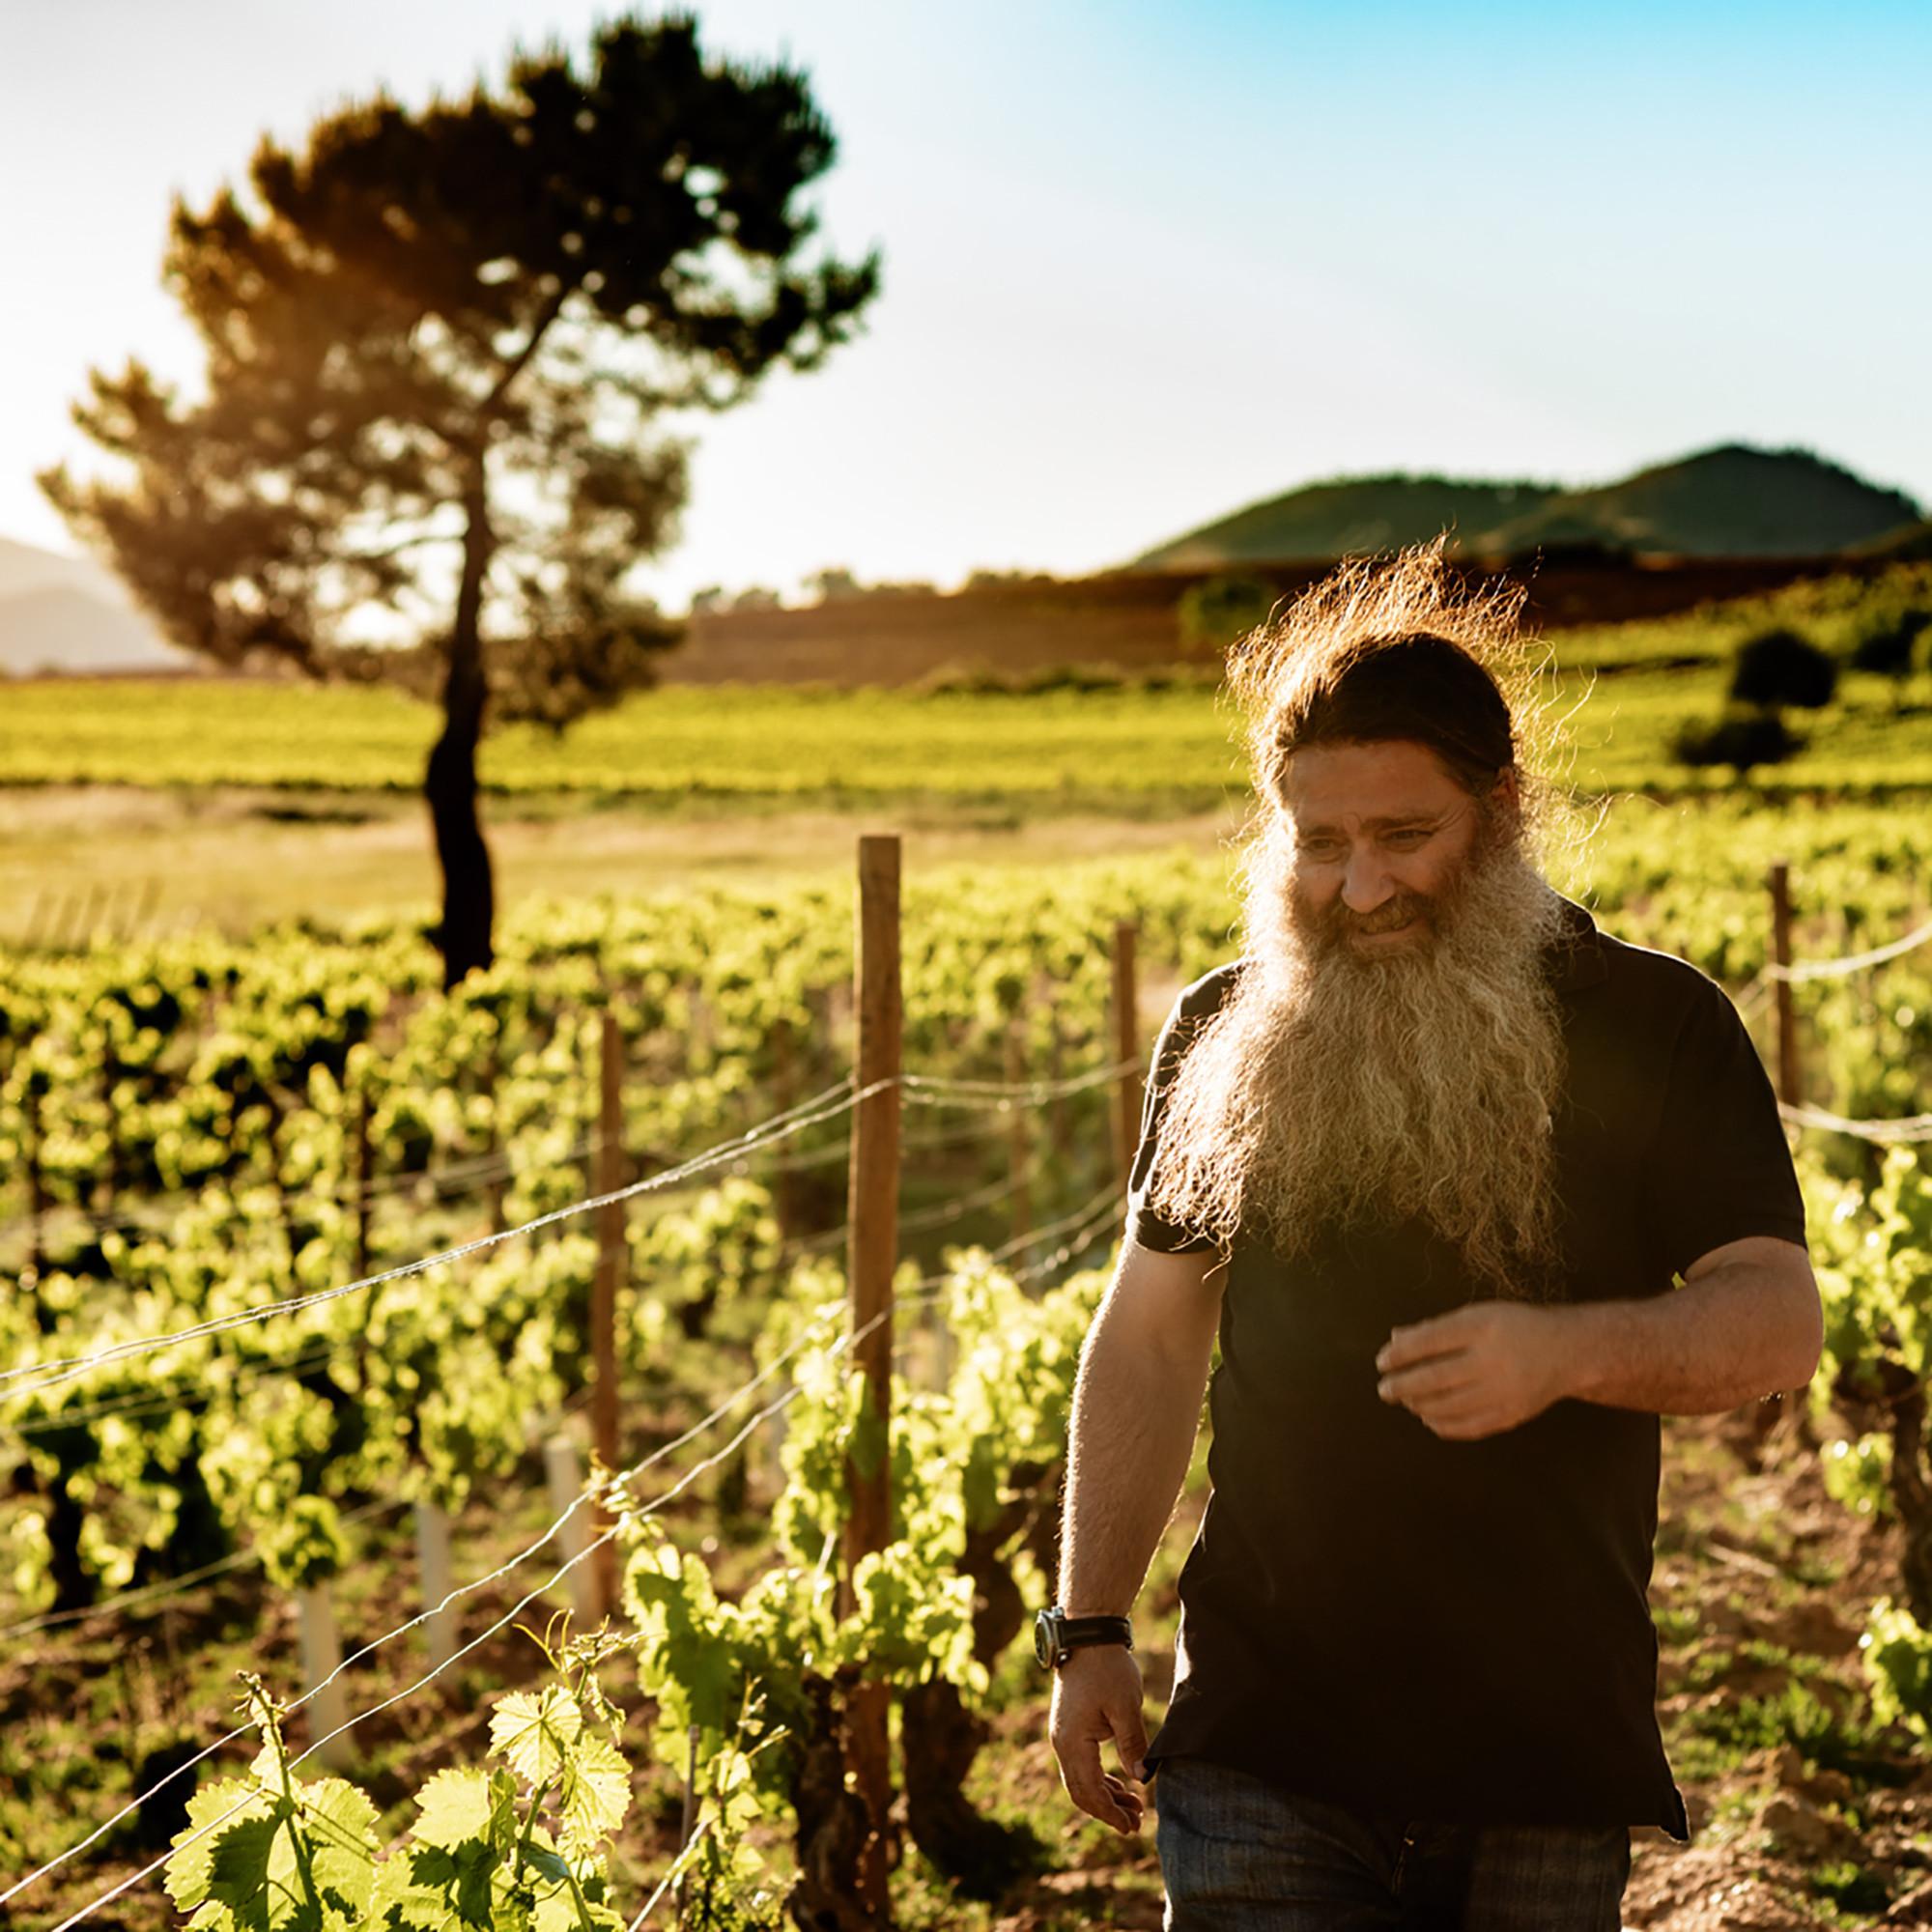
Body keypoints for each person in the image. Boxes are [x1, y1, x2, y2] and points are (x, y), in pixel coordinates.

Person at [1042, 541, 1822, 1930]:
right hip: (1262, 1742)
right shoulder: (1227, 1033)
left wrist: (1567, 1352)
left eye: (1407, 837)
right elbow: (1152, 1338)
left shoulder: (1656, 1024)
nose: (1361, 888)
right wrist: (1092, 1624)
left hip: (1543, 1746)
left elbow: (1775, 1324)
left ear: (1504, 810)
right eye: (1320, 844)